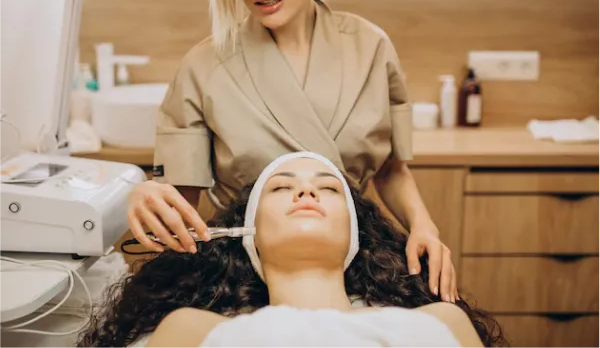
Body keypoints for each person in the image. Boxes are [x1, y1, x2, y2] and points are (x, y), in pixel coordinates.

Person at [128, 0, 457, 301]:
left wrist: (424, 226)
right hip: (242, 281)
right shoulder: (203, 67)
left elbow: (391, 169)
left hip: (355, 267)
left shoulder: (371, 47)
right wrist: (145, 196)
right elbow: (181, 209)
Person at [81, 153, 506, 348]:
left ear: (356, 234)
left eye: (329, 189)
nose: (306, 191)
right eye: (282, 188)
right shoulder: (190, 329)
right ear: (247, 235)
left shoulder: (442, 320)